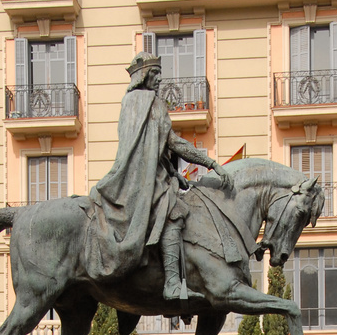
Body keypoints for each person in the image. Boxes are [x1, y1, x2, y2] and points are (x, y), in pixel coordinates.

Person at [90, 51, 233, 298]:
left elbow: (150, 147)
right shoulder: (152, 103)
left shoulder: (129, 102)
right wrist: (211, 163)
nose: (158, 79)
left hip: (137, 177)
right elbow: (174, 143)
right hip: (143, 181)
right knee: (174, 213)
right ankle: (172, 284)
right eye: (154, 74)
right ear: (143, 76)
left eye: (159, 74)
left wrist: (171, 170)